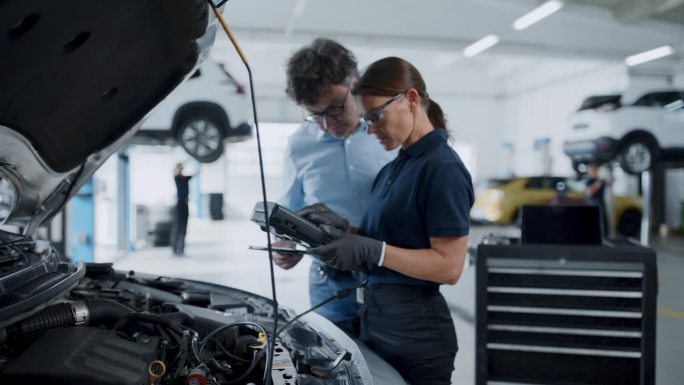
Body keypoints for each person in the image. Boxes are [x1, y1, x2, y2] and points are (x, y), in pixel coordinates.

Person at [302, 57, 474, 385]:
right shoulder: (394, 168)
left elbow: (449, 267)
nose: (369, 128)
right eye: (366, 118)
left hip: (417, 338)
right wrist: (340, 229)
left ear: (410, 98)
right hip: (377, 325)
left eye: (375, 115)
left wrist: (371, 250)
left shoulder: (442, 169)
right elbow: (382, 239)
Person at [273, 38, 394, 334]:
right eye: (315, 114)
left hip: (391, 275)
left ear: (355, 83)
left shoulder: (390, 133)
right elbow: (289, 211)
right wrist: (284, 243)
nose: (328, 124)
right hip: (329, 281)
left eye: (335, 109)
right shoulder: (299, 145)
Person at [171, 163, 194, 256]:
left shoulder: (184, 178)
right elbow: (181, 176)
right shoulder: (177, 178)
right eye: (180, 168)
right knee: (178, 228)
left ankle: (181, 249)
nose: (182, 169)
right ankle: (175, 249)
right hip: (179, 206)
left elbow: (191, 176)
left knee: (184, 228)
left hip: (185, 205)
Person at [585, 163, 609, 236]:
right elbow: (589, 193)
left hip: (601, 204)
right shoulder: (589, 181)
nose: (594, 171)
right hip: (592, 205)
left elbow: (610, 184)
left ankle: (604, 237)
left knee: (603, 224)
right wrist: (597, 184)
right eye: (593, 170)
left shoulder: (601, 180)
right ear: (589, 171)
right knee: (592, 224)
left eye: (595, 170)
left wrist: (609, 177)